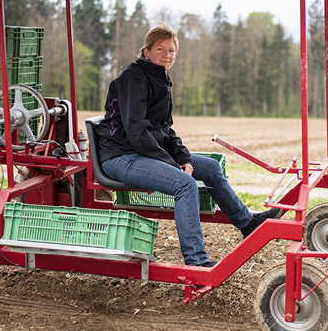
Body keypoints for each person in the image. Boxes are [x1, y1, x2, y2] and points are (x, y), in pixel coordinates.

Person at [96, 23, 278, 267]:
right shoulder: (134, 79)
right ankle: (196, 261)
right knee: (185, 184)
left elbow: (165, 130)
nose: (167, 55)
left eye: (172, 51)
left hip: (141, 152)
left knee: (211, 168)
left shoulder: (160, 79)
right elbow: (137, 132)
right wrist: (172, 164)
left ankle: (248, 223)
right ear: (146, 51)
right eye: (160, 49)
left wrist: (183, 157)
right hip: (121, 156)